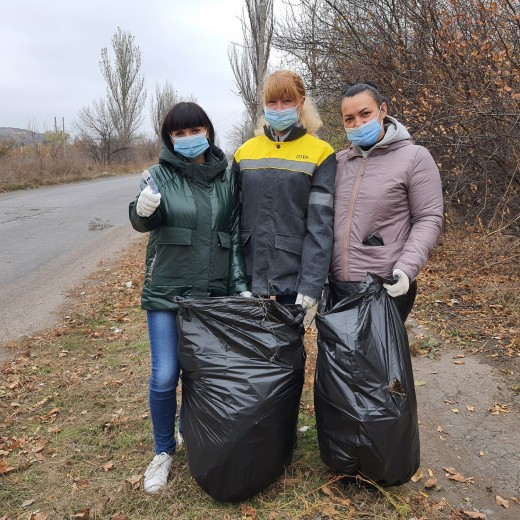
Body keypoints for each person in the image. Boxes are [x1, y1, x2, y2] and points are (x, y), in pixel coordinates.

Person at [129, 102, 249, 493]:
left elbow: (230, 237)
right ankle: (163, 451)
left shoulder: (227, 179)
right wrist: (142, 210)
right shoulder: (158, 176)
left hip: (211, 296)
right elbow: (141, 218)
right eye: (177, 134)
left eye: (193, 130)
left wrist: (238, 285)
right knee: (166, 375)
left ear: (208, 131)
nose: (186, 138)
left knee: (200, 375)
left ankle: (189, 431)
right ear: (169, 139)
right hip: (167, 292)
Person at [330, 81, 444, 320]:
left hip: (385, 285)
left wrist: (406, 268)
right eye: (349, 119)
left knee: (380, 356)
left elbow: (428, 218)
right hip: (338, 287)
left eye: (365, 114)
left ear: (382, 110)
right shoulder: (339, 162)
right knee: (339, 357)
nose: (358, 124)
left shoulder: (414, 157)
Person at [231, 70, 336, 309]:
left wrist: (311, 285)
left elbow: (320, 225)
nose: (279, 108)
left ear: (301, 103)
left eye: (287, 101)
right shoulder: (245, 152)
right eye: (272, 102)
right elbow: (232, 220)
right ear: (264, 105)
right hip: (248, 277)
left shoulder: (320, 153)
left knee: (287, 346)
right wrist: (235, 280)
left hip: (294, 277)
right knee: (250, 346)